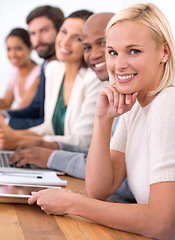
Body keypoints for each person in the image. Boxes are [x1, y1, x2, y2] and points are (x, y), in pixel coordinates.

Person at [28, 4, 175, 239]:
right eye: (113, 52)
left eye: (134, 51)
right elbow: (99, 189)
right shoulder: (136, 106)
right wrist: (103, 119)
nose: (119, 65)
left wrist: (71, 204)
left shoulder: (168, 104)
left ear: (164, 52)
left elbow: (163, 223)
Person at [0, 10, 106, 151]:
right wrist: (11, 136)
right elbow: (49, 127)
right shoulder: (53, 70)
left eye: (77, 38)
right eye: (63, 32)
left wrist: (19, 139)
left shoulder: (96, 80)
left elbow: (82, 141)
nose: (65, 42)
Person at [0, 5, 64, 129]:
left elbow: (50, 122)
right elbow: (34, 109)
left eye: (44, 31)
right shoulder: (45, 67)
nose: (38, 39)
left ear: (60, 30)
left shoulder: (53, 69)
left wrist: (7, 121)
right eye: (33, 33)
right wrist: (5, 115)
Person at [0, 28, 40, 110]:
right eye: (9, 49)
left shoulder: (38, 74)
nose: (13, 54)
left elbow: (23, 110)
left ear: (30, 48)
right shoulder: (15, 71)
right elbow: (6, 102)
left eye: (18, 48)